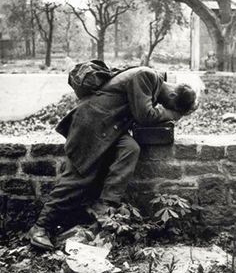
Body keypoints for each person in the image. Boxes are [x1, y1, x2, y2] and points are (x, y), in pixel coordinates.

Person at [29, 66, 197, 250]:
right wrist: (172, 114)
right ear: (172, 96)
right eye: (168, 106)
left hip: (110, 128)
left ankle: (104, 205)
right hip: (91, 125)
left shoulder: (151, 82)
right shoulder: (146, 76)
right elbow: (145, 115)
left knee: (130, 148)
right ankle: (40, 228)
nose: (163, 108)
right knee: (78, 179)